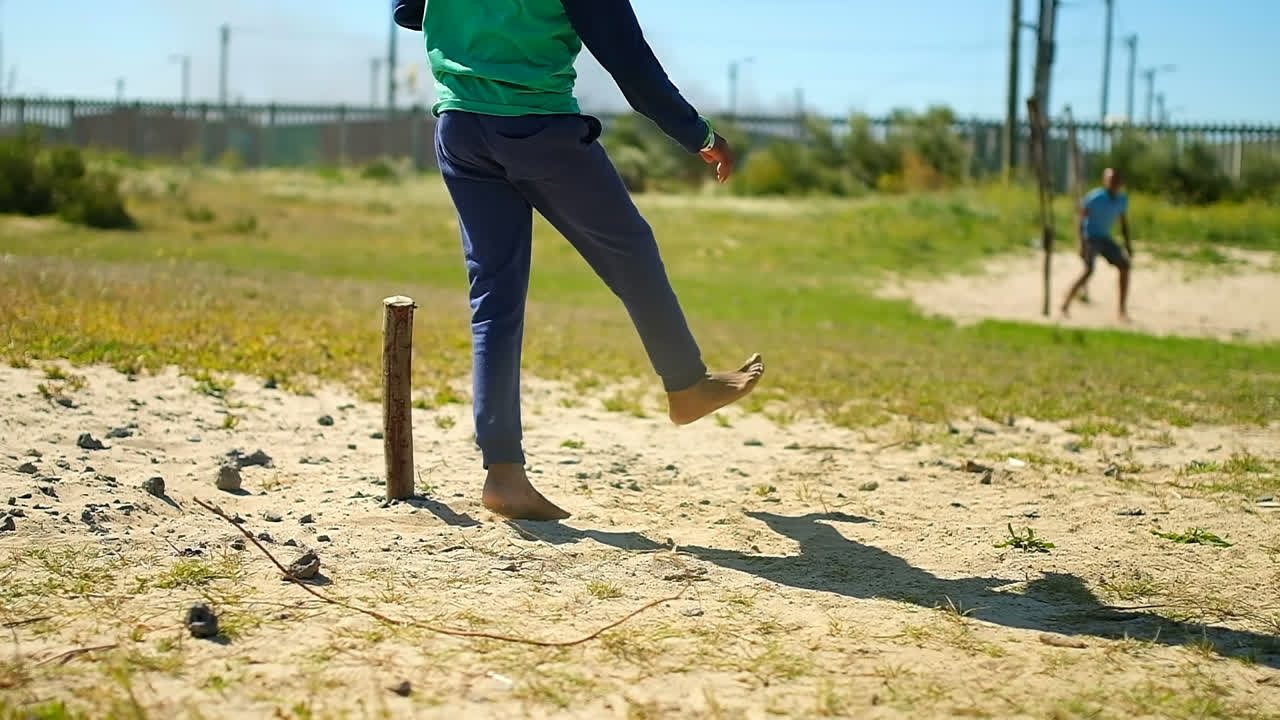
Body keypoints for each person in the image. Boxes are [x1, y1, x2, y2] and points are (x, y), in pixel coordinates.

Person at [393, 0, 765, 521]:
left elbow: (408, 10)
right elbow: (630, 64)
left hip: (460, 127)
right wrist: (699, 135)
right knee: (631, 254)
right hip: (542, 129)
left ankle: (503, 474)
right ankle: (686, 385)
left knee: (494, 297)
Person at [1061, 168, 1133, 321]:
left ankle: (1121, 311)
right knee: (1089, 270)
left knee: (1125, 266)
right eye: (1109, 180)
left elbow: (1124, 224)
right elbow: (1081, 219)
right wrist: (1081, 242)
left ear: (1120, 182)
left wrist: (1128, 245)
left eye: (1115, 180)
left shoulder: (1122, 200)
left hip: (1105, 238)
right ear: (1105, 181)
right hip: (1090, 237)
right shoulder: (1095, 197)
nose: (1112, 183)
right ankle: (1066, 301)